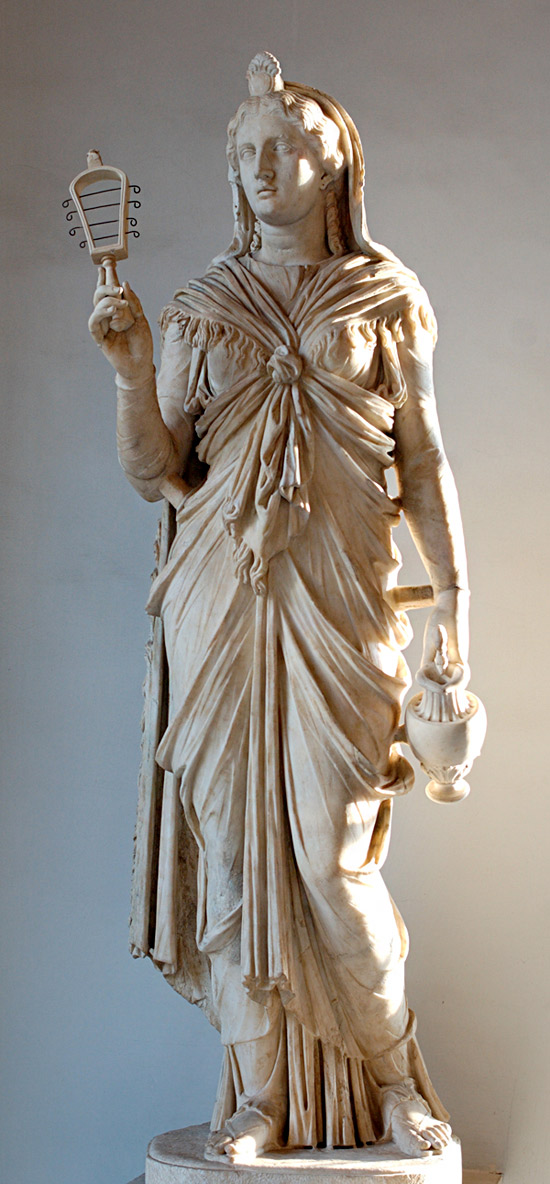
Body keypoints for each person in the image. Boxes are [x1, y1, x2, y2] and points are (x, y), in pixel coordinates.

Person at [89, 52, 469, 1164]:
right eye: (246, 151)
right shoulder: (201, 308)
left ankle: (393, 1081)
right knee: (238, 866)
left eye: (286, 146)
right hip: (221, 607)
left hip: (341, 606)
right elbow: (157, 468)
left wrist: (456, 603)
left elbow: (422, 458)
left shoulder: (385, 299)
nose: (263, 167)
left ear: (333, 162)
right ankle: (259, 1098)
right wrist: (130, 367)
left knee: (335, 866)